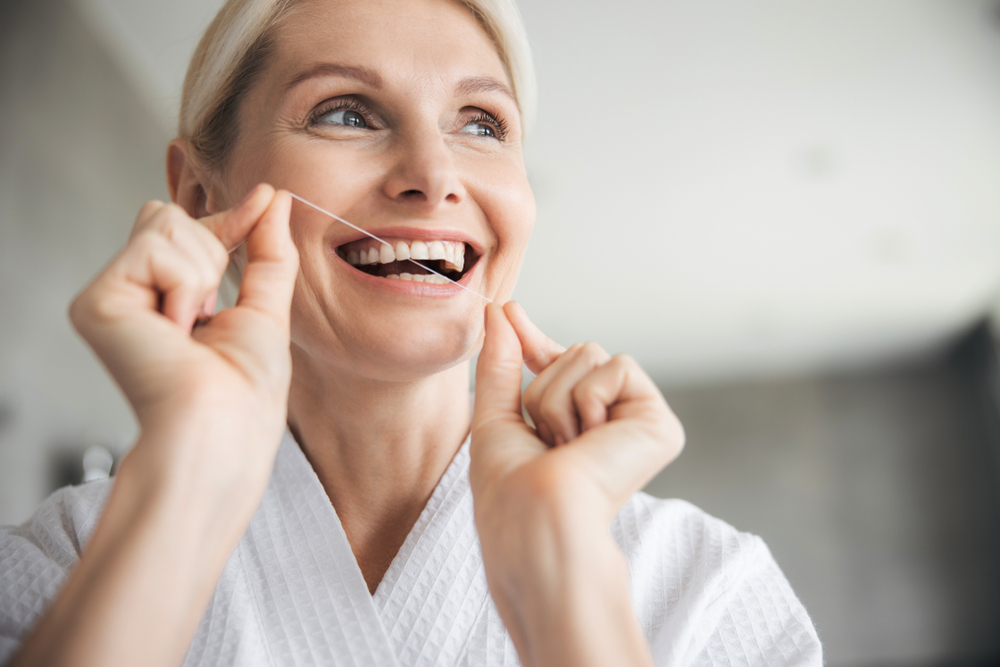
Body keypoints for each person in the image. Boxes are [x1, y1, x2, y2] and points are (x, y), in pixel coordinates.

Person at [0, 0, 822, 664]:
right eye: (347, 112)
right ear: (198, 196)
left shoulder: (704, 586)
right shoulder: (63, 564)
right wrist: (186, 481)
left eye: (482, 123)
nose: (434, 176)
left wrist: (563, 574)